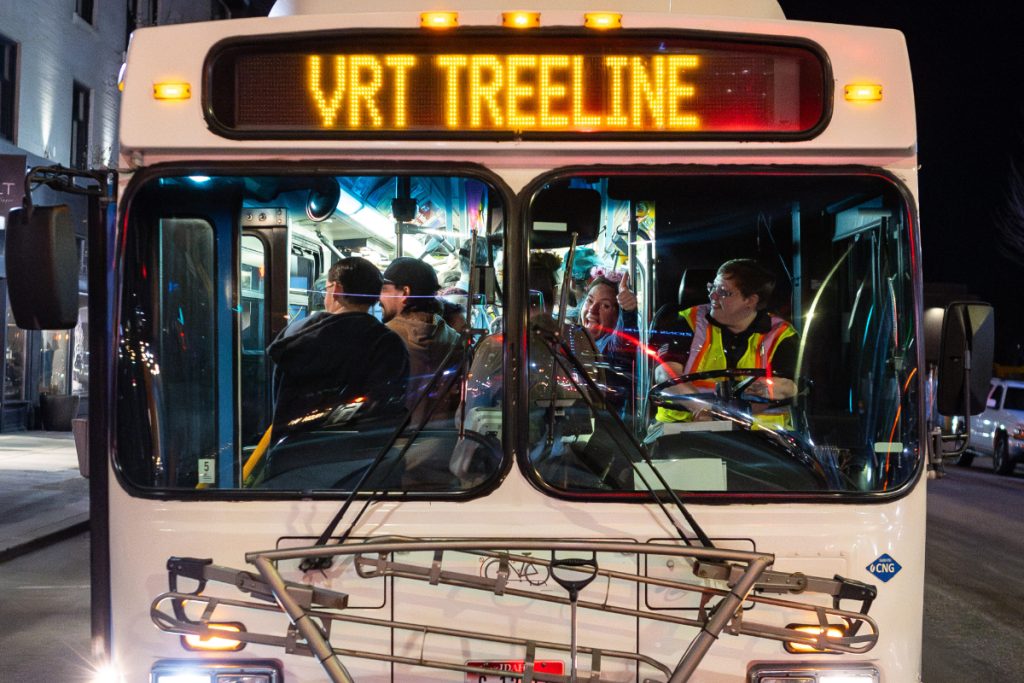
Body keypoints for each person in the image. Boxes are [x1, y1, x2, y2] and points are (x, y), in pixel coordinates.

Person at [267, 256, 409, 439]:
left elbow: (279, 400)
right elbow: (387, 408)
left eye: (326, 289)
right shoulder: (387, 342)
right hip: (356, 457)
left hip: (293, 453)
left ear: (336, 289)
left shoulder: (294, 335)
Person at [653, 258, 798, 427]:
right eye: (712, 287)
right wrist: (707, 409)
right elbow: (665, 374)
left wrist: (754, 400)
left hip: (762, 439)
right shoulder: (686, 321)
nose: (712, 295)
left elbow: (791, 386)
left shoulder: (781, 334)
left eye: (723, 292)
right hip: (684, 430)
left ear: (750, 301)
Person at [380, 257, 465, 423]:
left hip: (395, 445)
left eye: (384, 289)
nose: (379, 298)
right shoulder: (455, 340)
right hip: (444, 442)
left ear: (405, 292)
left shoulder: (383, 339)